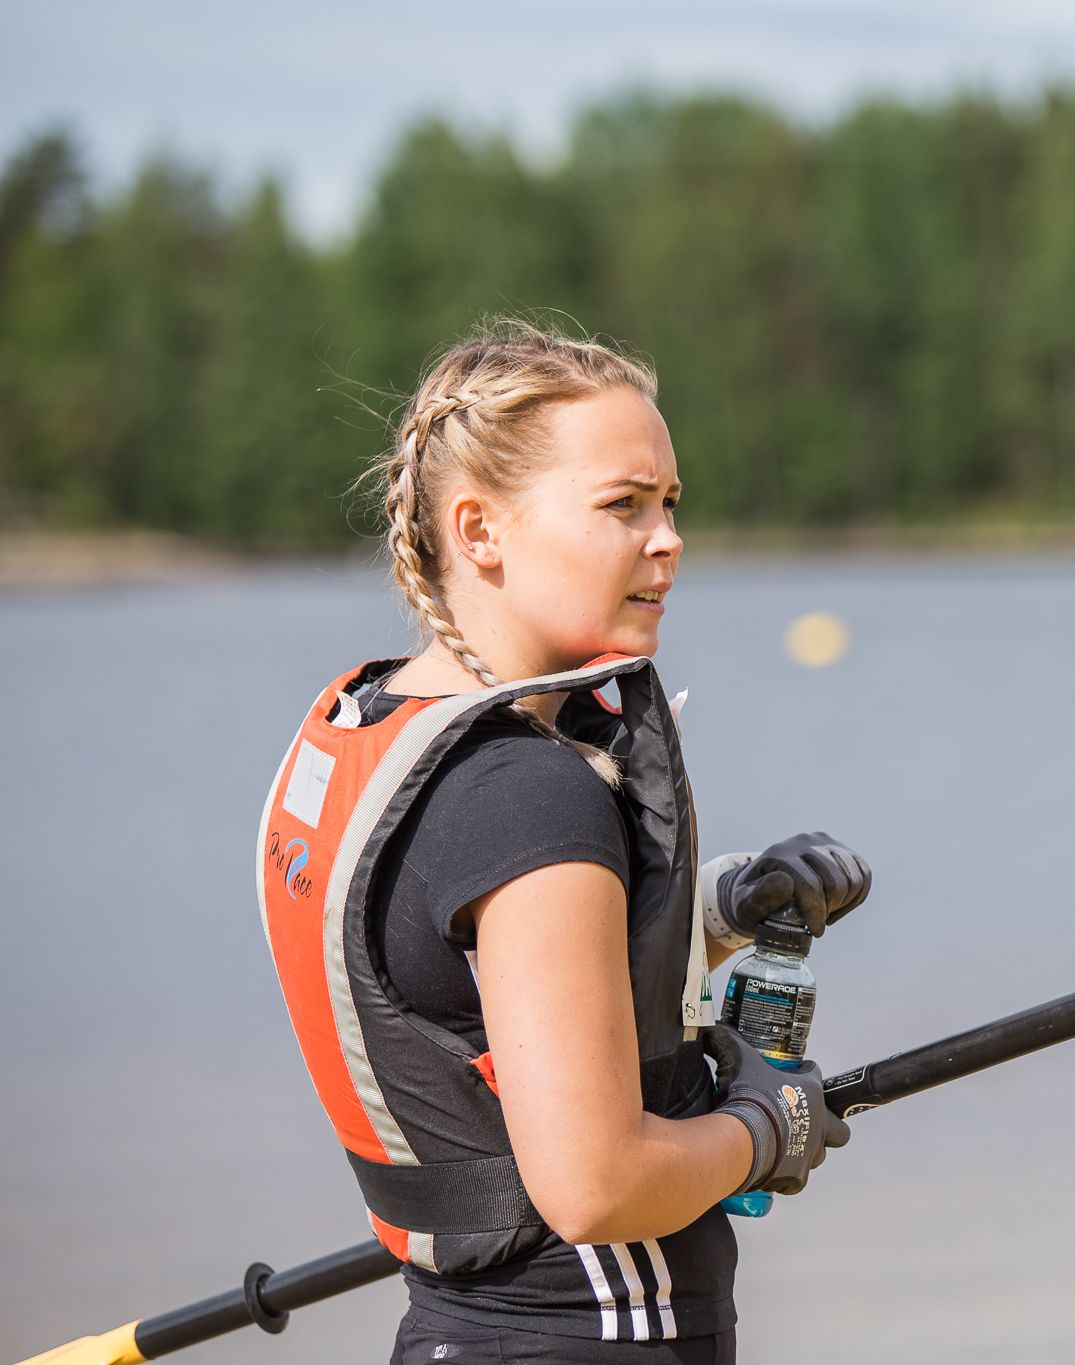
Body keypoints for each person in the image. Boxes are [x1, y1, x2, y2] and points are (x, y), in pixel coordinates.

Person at [254, 321, 871, 1364]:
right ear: (479, 531)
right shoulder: (527, 794)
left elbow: (467, 986)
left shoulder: (378, 725)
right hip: (588, 1334)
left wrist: (721, 910)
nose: (667, 539)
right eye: (623, 505)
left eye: (670, 503)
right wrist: (770, 1128)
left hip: (457, 1331)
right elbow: (597, 1186)